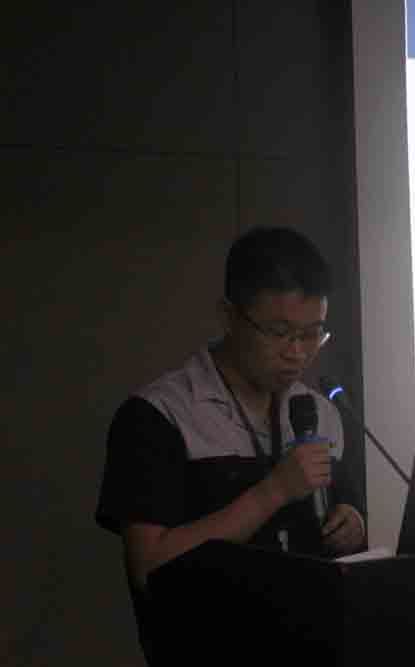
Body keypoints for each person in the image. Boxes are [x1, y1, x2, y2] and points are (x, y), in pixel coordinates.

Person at [95, 226, 364, 662]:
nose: (297, 353)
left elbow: (345, 519)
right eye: (279, 332)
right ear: (228, 316)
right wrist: (274, 491)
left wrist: (351, 523)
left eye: (312, 334)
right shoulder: (158, 415)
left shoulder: (320, 411)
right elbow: (150, 568)